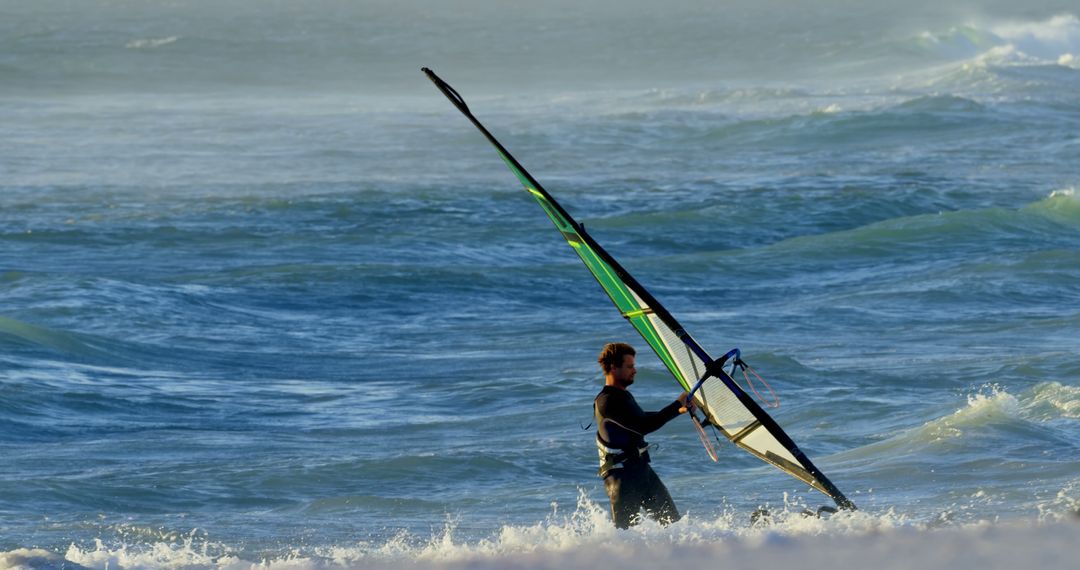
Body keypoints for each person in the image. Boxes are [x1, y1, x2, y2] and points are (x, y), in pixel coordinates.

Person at [594, 342, 688, 529]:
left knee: (674, 527)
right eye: (630, 366)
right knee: (625, 539)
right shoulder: (607, 401)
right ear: (613, 367)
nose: (635, 370)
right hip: (622, 478)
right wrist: (677, 404)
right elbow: (643, 425)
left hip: (641, 471)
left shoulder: (621, 396)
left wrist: (680, 409)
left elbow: (640, 418)